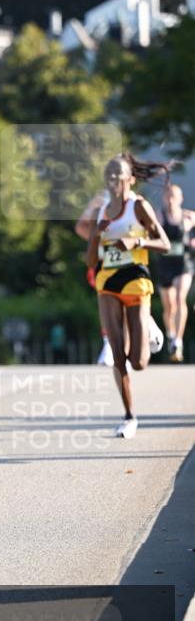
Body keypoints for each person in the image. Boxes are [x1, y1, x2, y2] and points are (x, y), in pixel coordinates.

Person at [86, 153, 171, 439]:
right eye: (108, 174)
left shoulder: (139, 207)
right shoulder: (101, 210)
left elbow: (165, 243)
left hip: (135, 277)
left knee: (139, 362)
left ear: (130, 179)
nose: (112, 180)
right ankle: (129, 415)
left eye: (117, 175)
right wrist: (96, 236)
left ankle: (148, 324)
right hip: (107, 281)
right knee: (117, 354)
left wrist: (137, 241)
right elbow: (89, 260)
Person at [155, 184, 194, 362]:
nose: (170, 200)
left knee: (180, 299)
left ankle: (178, 341)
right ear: (164, 198)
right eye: (167, 196)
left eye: (174, 197)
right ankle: (171, 334)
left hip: (183, 264)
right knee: (169, 307)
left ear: (181, 199)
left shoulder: (189, 216)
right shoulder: (158, 216)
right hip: (165, 265)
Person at [76, 191, 114, 365]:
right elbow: (80, 226)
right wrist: (97, 238)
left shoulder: (135, 202)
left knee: (129, 301)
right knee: (104, 299)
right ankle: (108, 345)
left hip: (127, 257)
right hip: (102, 260)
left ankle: (146, 327)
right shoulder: (100, 200)